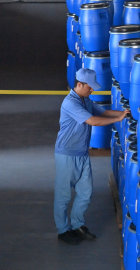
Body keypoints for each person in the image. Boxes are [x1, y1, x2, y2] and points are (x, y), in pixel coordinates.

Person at [54, 68, 129, 245]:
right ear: (79, 84)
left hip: (81, 153)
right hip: (67, 153)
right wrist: (118, 120)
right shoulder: (70, 103)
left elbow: (101, 112)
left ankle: (77, 225)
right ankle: (63, 230)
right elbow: (93, 121)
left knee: (85, 192)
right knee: (63, 195)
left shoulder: (85, 99)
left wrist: (123, 113)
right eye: (90, 87)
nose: (92, 90)